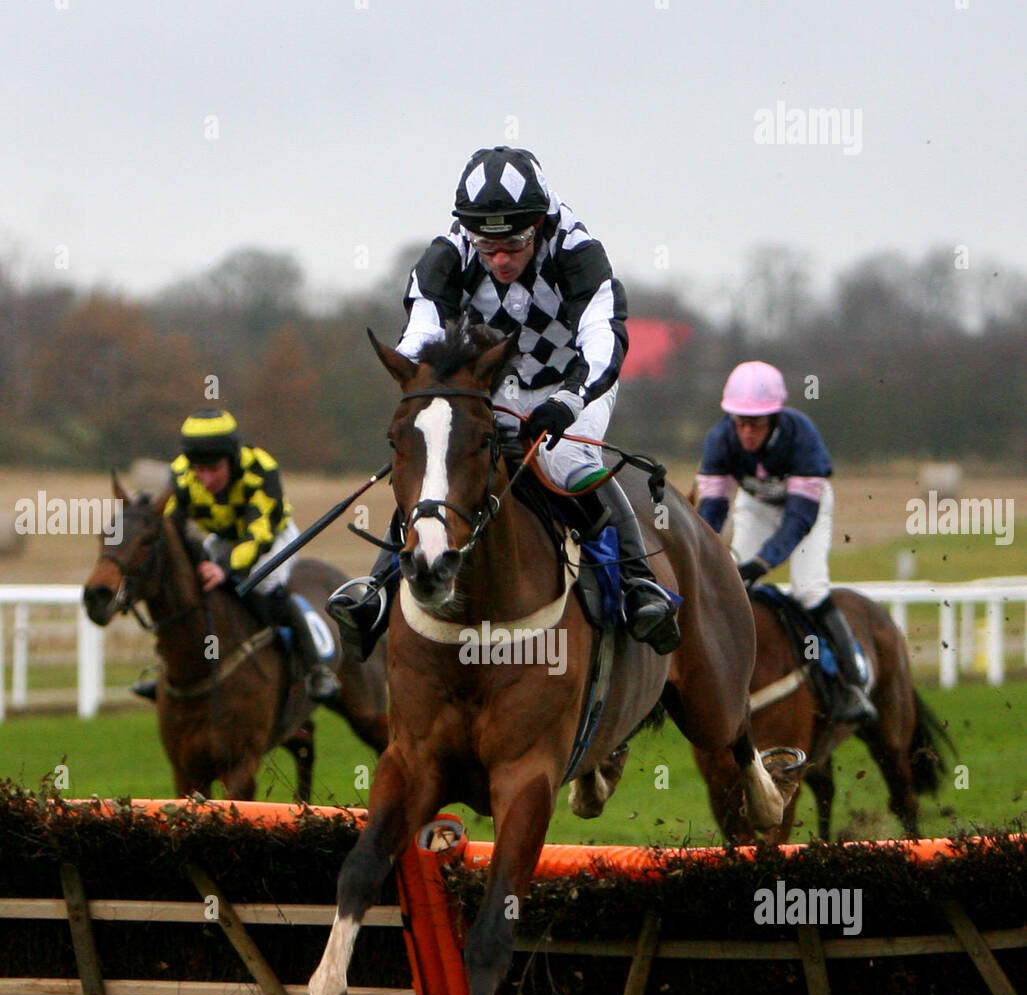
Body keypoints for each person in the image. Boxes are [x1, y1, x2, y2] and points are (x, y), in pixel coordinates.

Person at [328, 144, 680, 659]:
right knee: (441, 461)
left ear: (537, 222)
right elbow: (421, 331)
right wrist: (424, 385)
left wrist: (568, 399)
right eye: (485, 245)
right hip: (488, 386)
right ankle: (380, 592)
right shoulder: (447, 255)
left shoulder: (577, 250)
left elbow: (604, 339)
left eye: (513, 243)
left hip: (572, 380)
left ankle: (636, 581)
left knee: (565, 458)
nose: (498, 259)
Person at [695, 362, 876, 723]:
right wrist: (707, 553)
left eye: (756, 424)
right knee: (731, 586)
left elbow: (798, 521)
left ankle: (852, 683)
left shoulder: (802, 436)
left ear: (775, 418)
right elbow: (713, 510)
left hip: (806, 509)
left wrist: (762, 562)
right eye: (740, 422)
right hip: (756, 506)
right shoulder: (720, 439)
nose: (746, 433)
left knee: (809, 589)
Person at [131, 408, 341, 702]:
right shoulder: (180, 473)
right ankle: (168, 667)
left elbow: (258, 536)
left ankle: (317, 670)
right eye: (199, 469)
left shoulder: (261, 469)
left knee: (266, 585)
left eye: (213, 468)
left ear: (232, 457)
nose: (205, 478)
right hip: (224, 537)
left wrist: (225, 568)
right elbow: (172, 529)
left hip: (273, 536)